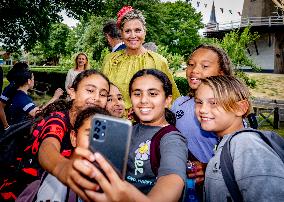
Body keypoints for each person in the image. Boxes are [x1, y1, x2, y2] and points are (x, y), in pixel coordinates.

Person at [73, 69, 188, 202]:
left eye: (153, 94)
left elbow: (172, 179)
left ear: (167, 100)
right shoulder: (128, 130)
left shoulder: (171, 138)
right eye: (137, 94)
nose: (144, 100)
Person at [195, 75, 284, 201]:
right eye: (199, 102)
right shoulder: (228, 144)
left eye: (213, 103)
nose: (202, 109)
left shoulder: (246, 143)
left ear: (240, 108)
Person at [28, 69, 110, 201]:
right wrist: (62, 168)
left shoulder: (99, 123)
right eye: (90, 90)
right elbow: (48, 147)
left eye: (103, 94)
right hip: (34, 188)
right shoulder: (57, 119)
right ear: (72, 92)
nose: (96, 97)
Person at [171, 44, 234, 188]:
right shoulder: (179, 103)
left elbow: (236, 155)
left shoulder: (227, 108)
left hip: (215, 183)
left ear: (221, 73)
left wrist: (209, 168)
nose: (194, 70)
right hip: (181, 182)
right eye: (190, 64)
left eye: (205, 66)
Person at [102, 6, 180, 109]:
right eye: (128, 31)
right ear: (121, 33)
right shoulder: (110, 60)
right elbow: (102, 93)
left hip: (150, 121)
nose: (133, 35)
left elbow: (172, 98)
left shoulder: (158, 61)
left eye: (138, 30)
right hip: (115, 121)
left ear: (145, 32)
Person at [33, 106, 110, 202]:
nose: (96, 144)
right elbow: (47, 147)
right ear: (74, 138)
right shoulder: (56, 181)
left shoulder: (113, 184)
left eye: (105, 139)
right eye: (90, 135)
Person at [0, 62, 29, 130]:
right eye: (27, 70)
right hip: (9, 123)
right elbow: (0, 106)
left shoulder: (19, 87)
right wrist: (6, 125)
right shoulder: (11, 87)